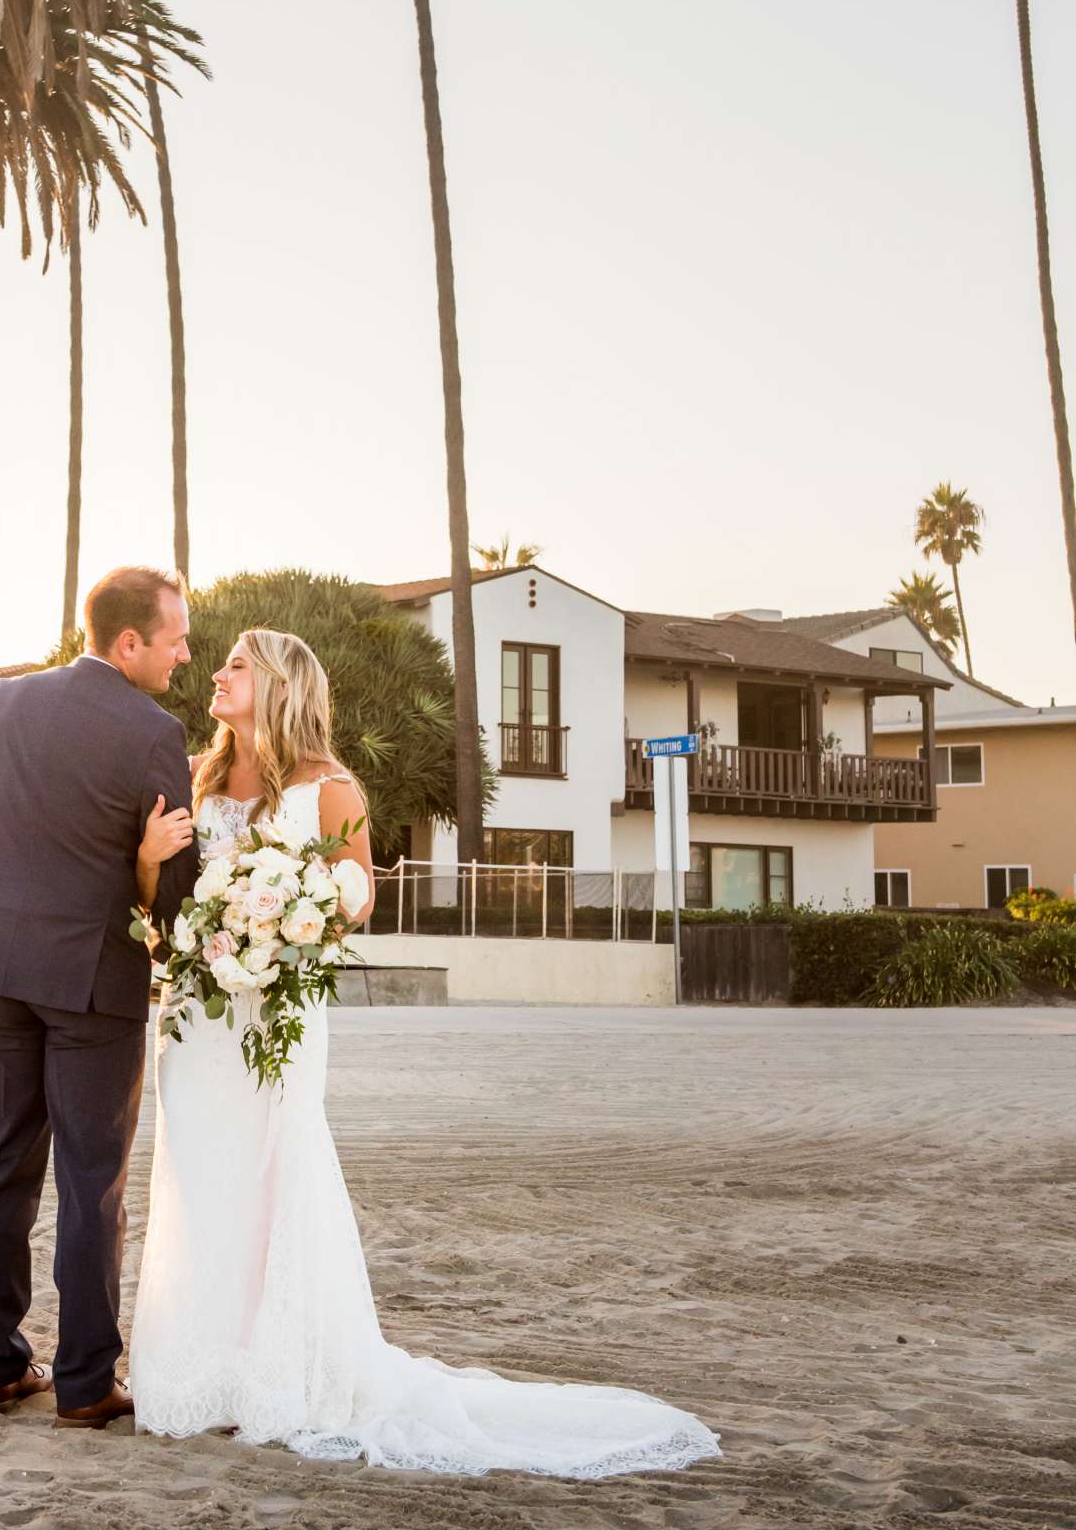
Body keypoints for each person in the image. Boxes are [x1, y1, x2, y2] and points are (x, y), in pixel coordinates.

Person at [127, 626, 721, 1479]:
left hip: (279, 1012)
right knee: (200, 1175)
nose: (216, 675)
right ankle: (200, 1370)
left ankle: (276, 1372)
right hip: (199, 1012)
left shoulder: (330, 788)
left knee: (273, 1171)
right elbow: (161, 903)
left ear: (283, 684)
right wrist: (152, 866)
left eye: (236, 667)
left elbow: (354, 899)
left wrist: (279, 919)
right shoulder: (199, 778)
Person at [0, 565, 198, 1430]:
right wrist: (148, 883)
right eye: (175, 639)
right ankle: (83, 1383)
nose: (185, 655)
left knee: (0, 1165)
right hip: (93, 987)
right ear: (128, 642)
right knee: (91, 1182)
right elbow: (177, 889)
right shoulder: (155, 732)